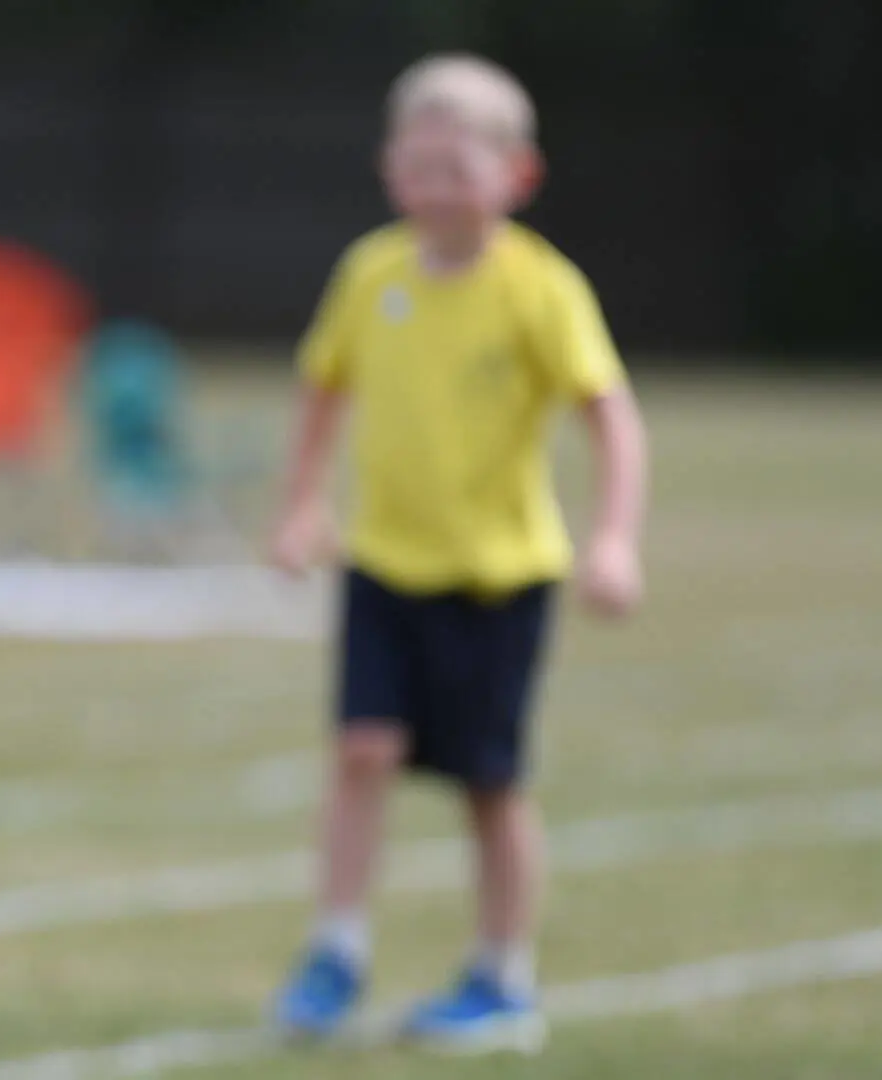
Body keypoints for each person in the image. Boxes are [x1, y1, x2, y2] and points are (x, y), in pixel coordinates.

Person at [267, 53, 650, 1053]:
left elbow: (610, 418)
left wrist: (612, 537)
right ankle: (335, 951)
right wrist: (301, 504)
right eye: (417, 163)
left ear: (515, 175)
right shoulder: (369, 274)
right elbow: (322, 387)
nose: (435, 185)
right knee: (361, 753)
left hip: (498, 576)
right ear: (390, 167)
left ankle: (502, 978)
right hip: (385, 564)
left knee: (489, 783)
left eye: (458, 165)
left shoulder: (540, 291)